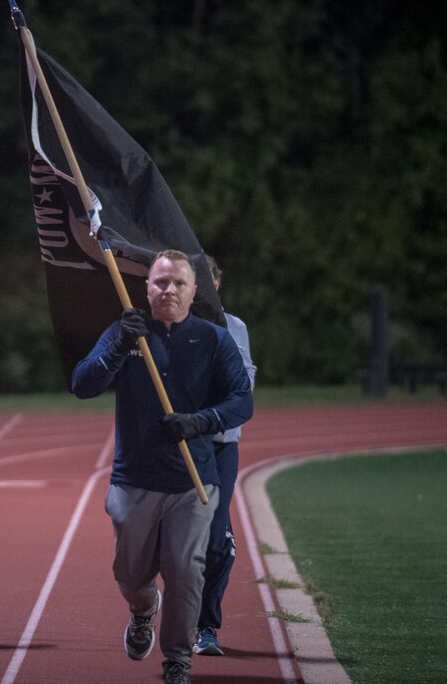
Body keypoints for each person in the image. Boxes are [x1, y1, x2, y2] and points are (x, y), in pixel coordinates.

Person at [70, 250, 252, 684]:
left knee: (186, 569)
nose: (168, 289)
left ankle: (177, 661)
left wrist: (199, 422)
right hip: (134, 479)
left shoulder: (213, 339)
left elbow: (241, 401)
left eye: (178, 283)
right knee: (131, 574)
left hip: (193, 479)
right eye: (160, 282)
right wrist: (118, 345)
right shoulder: (125, 332)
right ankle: (142, 609)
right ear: (147, 287)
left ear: (194, 291)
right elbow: (83, 384)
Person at [193, 255, 257, 657]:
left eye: (206, 279)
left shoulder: (235, 327)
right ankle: (147, 604)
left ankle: (207, 626)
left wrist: (225, 387)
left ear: (216, 283)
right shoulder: (175, 327)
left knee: (219, 544)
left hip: (222, 446)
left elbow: (246, 380)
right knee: (169, 540)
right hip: (184, 445)